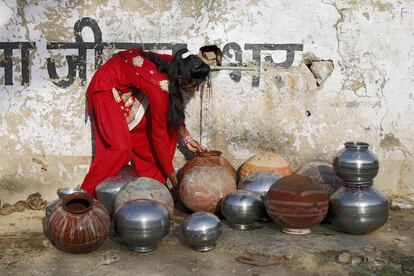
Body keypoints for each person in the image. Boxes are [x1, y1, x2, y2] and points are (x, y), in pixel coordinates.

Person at [81, 47, 211, 197]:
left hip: (129, 87)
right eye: (194, 84)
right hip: (106, 88)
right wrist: (174, 180)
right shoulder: (159, 87)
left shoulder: (174, 64)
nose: (195, 90)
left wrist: (187, 137)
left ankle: (153, 182)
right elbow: (159, 138)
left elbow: (175, 106)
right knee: (120, 149)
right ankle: (85, 193)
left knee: (162, 130)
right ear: (181, 78)